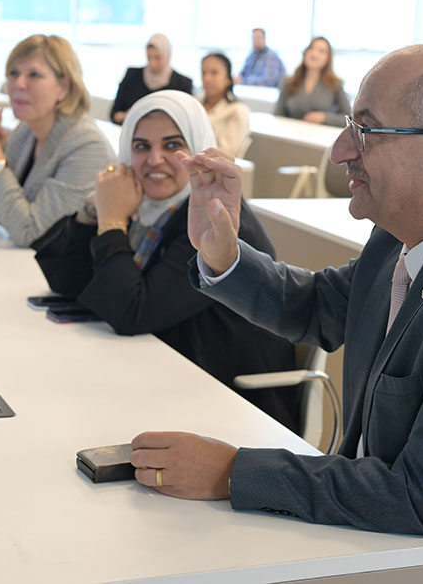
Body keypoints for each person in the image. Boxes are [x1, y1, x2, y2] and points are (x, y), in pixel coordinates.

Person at [130, 42, 423, 583]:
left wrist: (230, 471)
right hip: (386, 550)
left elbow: (419, 497)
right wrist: (223, 253)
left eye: (367, 130)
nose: (340, 151)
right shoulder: (407, 235)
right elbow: (315, 307)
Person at [33, 91, 299, 429]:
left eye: (173, 146)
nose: (155, 159)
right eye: (141, 146)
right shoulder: (146, 208)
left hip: (228, 409)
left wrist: (112, 222)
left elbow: (132, 311)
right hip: (163, 379)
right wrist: (93, 211)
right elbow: (67, 283)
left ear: (198, 150)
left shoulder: (216, 217)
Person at [0, 34, 114, 247]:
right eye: (13, 73)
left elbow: (32, 234)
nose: (18, 84)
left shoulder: (86, 145)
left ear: (64, 87)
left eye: (34, 75)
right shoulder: (26, 131)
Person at [110, 34, 193, 124]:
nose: (152, 63)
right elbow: (114, 113)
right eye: (149, 57)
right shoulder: (132, 76)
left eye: (157, 58)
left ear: (167, 55)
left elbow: (185, 121)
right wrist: (128, 117)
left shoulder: (182, 84)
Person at [274, 36, 349, 126]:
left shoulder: (335, 85)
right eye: (311, 48)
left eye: (321, 51)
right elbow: (277, 114)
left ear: (328, 58)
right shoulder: (288, 81)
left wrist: (324, 118)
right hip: (290, 136)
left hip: (319, 137)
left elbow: (349, 118)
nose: (314, 53)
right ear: (305, 52)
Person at [200, 53, 251, 157]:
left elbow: (226, 153)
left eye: (214, 73)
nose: (207, 79)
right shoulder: (194, 103)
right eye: (204, 73)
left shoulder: (237, 111)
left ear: (228, 77)